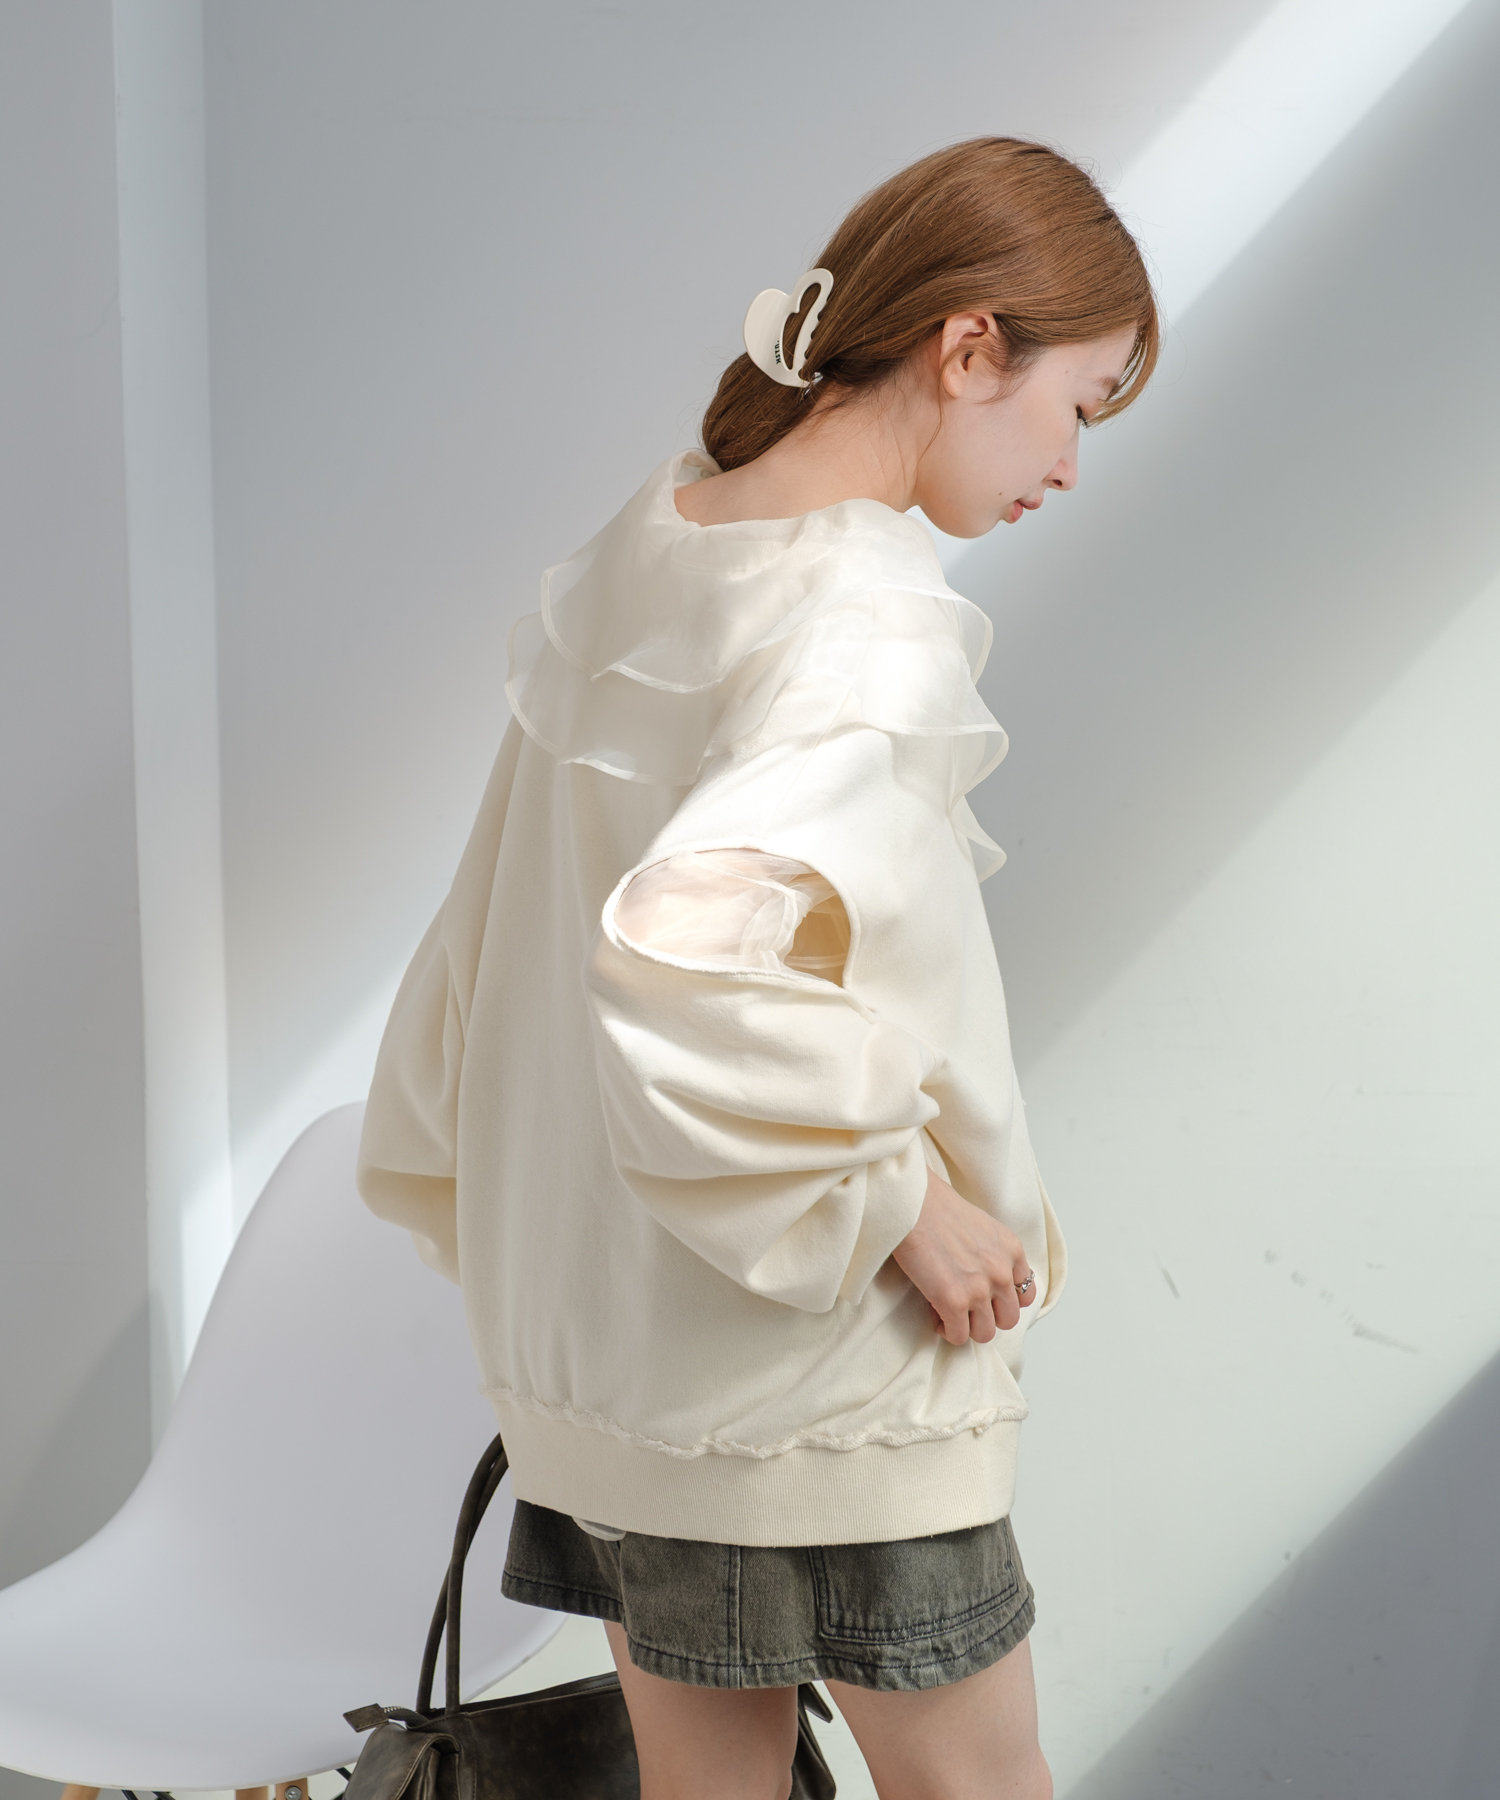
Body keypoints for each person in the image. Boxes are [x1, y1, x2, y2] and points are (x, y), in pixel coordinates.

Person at [356, 133, 1158, 1800]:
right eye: (1079, 405)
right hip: (815, 1371)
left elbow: (498, 925)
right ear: (968, 347)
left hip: (617, 1352)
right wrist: (896, 1195)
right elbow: (681, 958)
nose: (1072, 466)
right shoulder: (861, 609)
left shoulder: (664, 534)